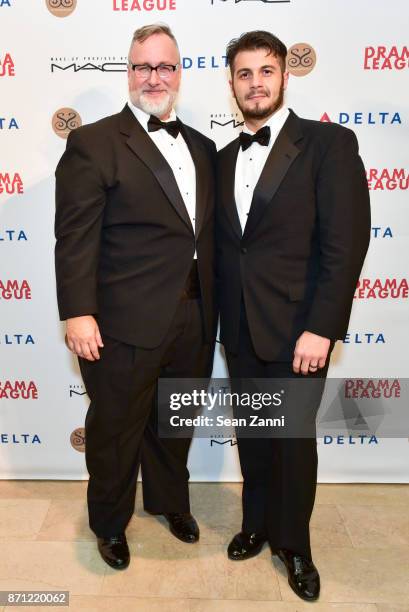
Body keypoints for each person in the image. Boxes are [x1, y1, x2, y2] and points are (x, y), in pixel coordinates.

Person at [54, 24, 217, 570]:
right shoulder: (94, 143)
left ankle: (170, 502)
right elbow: (76, 237)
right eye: (143, 66)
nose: (154, 77)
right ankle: (108, 523)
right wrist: (78, 312)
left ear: (179, 74)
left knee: (176, 419)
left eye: (165, 66)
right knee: (116, 431)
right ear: (128, 72)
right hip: (122, 321)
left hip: (195, 314)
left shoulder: (203, 146)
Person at [217, 30, 370, 601]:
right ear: (231, 83)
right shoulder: (224, 155)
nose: (255, 83)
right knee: (254, 437)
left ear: (285, 76)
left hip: (299, 330)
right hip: (238, 328)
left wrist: (323, 326)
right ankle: (256, 524)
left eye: (266, 71)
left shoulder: (328, 144)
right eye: (244, 73)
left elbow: (345, 243)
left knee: (294, 441)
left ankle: (295, 545)